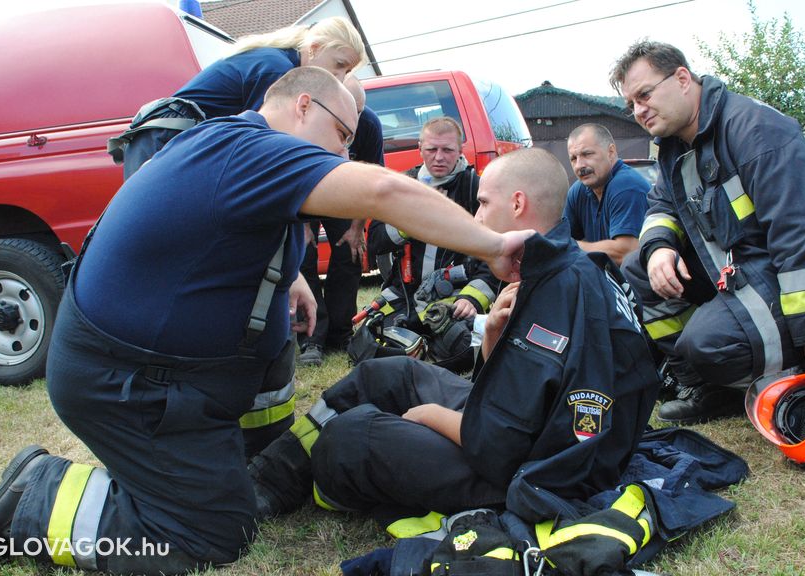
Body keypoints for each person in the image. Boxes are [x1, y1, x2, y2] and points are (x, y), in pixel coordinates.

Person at [0, 68, 531, 575]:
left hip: (175, 371)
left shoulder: (237, 151)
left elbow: (214, 230)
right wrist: (494, 244)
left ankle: (270, 470)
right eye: (344, 136)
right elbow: (382, 190)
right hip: (128, 385)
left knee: (369, 379)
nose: (344, 154)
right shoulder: (251, 150)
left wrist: (292, 278)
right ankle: (36, 497)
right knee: (208, 534)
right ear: (303, 106)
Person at [249, 148, 660, 538]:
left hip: (534, 475)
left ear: (517, 204)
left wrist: (429, 415)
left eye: (482, 203)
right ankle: (272, 474)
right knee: (384, 374)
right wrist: (494, 339)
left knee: (351, 436)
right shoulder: (567, 265)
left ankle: (297, 480)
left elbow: (502, 444)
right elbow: (529, 395)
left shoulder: (555, 293)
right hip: (539, 443)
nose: (475, 215)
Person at [611, 41, 805, 424]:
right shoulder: (676, 148)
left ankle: (800, 372)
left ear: (682, 78)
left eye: (644, 95)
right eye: (631, 104)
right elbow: (662, 206)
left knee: (707, 344)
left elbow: (801, 235)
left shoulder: (758, 130)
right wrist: (659, 248)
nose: (638, 111)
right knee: (638, 268)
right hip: (749, 275)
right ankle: (703, 386)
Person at [114, 16, 367, 179]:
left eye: (347, 72)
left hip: (178, 137)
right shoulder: (276, 70)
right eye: (339, 65)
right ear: (314, 49)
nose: (339, 77)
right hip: (166, 137)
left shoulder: (278, 61)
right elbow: (263, 140)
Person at [367, 117, 496, 327]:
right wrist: (413, 221)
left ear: (460, 149)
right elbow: (375, 241)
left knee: (456, 343)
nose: (439, 157)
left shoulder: (474, 187)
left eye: (447, 150)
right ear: (420, 148)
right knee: (373, 339)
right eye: (431, 149)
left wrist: (471, 298)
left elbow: (495, 253)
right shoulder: (403, 186)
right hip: (405, 293)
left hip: (455, 292)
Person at [297, 76, 385, 366]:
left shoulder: (369, 124)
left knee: (350, 254)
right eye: (350, 111)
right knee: (303, 258)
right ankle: (312, 337)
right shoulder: (306, 122)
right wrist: (304, 226)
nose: (355, 119)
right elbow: (292, 173)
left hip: (343, 195)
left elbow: (372, 179)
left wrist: (356, 228)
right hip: (304, 192)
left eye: (359, 111)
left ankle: (341, 332)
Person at [564, 123, 650, 265]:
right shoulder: (579, 191)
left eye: (587, 154)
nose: (579, 165)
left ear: (611, 152)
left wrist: (565, 246)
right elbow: (560, 237)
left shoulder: (626, 186)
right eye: (573, 158)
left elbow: (626, 252)